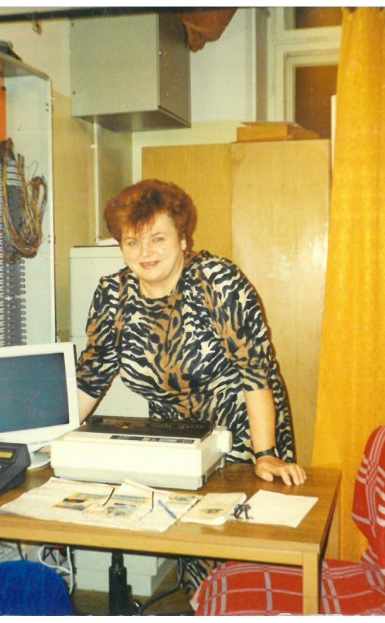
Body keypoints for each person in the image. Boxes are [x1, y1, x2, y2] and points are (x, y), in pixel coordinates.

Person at [75, 179, 306, 595]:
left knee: (244, 552)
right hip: (176, 440)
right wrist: (53, 442)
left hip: (244, 429)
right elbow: (91, 378)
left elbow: (256, 374)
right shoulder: (113, 294)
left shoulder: (218, 282)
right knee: (193, 546)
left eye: (158, 238)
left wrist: (266, 453)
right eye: (132, 241)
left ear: (183, 239)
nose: (145, 252)